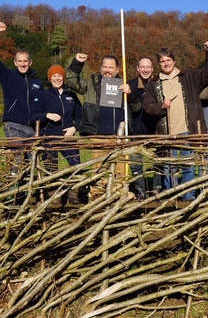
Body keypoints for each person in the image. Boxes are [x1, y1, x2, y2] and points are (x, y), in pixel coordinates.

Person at [143, 41, 208, 202]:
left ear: (174, 61)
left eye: (168, 60)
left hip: (186, 130)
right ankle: (171, 195)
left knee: (187, 164)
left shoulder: (188, 77)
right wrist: (161, 105)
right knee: (169, 166)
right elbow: (147, 107)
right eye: (162, 61)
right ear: (159, 64)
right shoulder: (154, 84)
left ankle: (188, 195)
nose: (166, 63)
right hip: (167, 132)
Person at [65, 53, 140, 197]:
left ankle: (118, 198)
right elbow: (70, 80)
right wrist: (77, 63)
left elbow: (136, 108)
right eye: (104, 67)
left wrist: (130, 94)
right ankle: (98, 198)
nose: (107, 70)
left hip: (119, 138)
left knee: (119, 172)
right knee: (98, 170)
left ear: (117, 69)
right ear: (100, 68)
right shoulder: (92, 83)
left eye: (111, 68)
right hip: (98, 136)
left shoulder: (124, 85)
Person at [30, 64, 84, 205]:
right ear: (50, 78)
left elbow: (81, 115)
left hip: (68, 137)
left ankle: (74, 193)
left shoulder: (71, 95)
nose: (57, 78)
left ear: (63, 77)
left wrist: (74, 127)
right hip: (49, 137)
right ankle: (54, 195)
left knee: (75, 165)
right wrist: (46, 115)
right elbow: (33, 115)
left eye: (59, 75)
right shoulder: (42, 95)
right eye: (54, 76)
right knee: (51, 167)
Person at [0, 22, 44, 176]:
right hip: (14, 127)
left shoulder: (37, 83)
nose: (23, 64)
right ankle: (12, 196)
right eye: (19, 61)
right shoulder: (8, 77)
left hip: (32, 129)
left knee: (33, 164)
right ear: (15, 62)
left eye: (25, 61)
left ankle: (28, 196)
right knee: (16, 161)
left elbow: (43, 106)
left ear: (30, 62)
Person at [128, 57, 161, 199]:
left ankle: (157, 190)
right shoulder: (131, 85)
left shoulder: (158, 84)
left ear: (153, 69)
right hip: (136, 130)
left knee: (158, 162)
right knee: (136, 163)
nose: (145, 70)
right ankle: (140, 190)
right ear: (137, 68)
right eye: (143, 67)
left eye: (148, 67)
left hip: (156, 130)